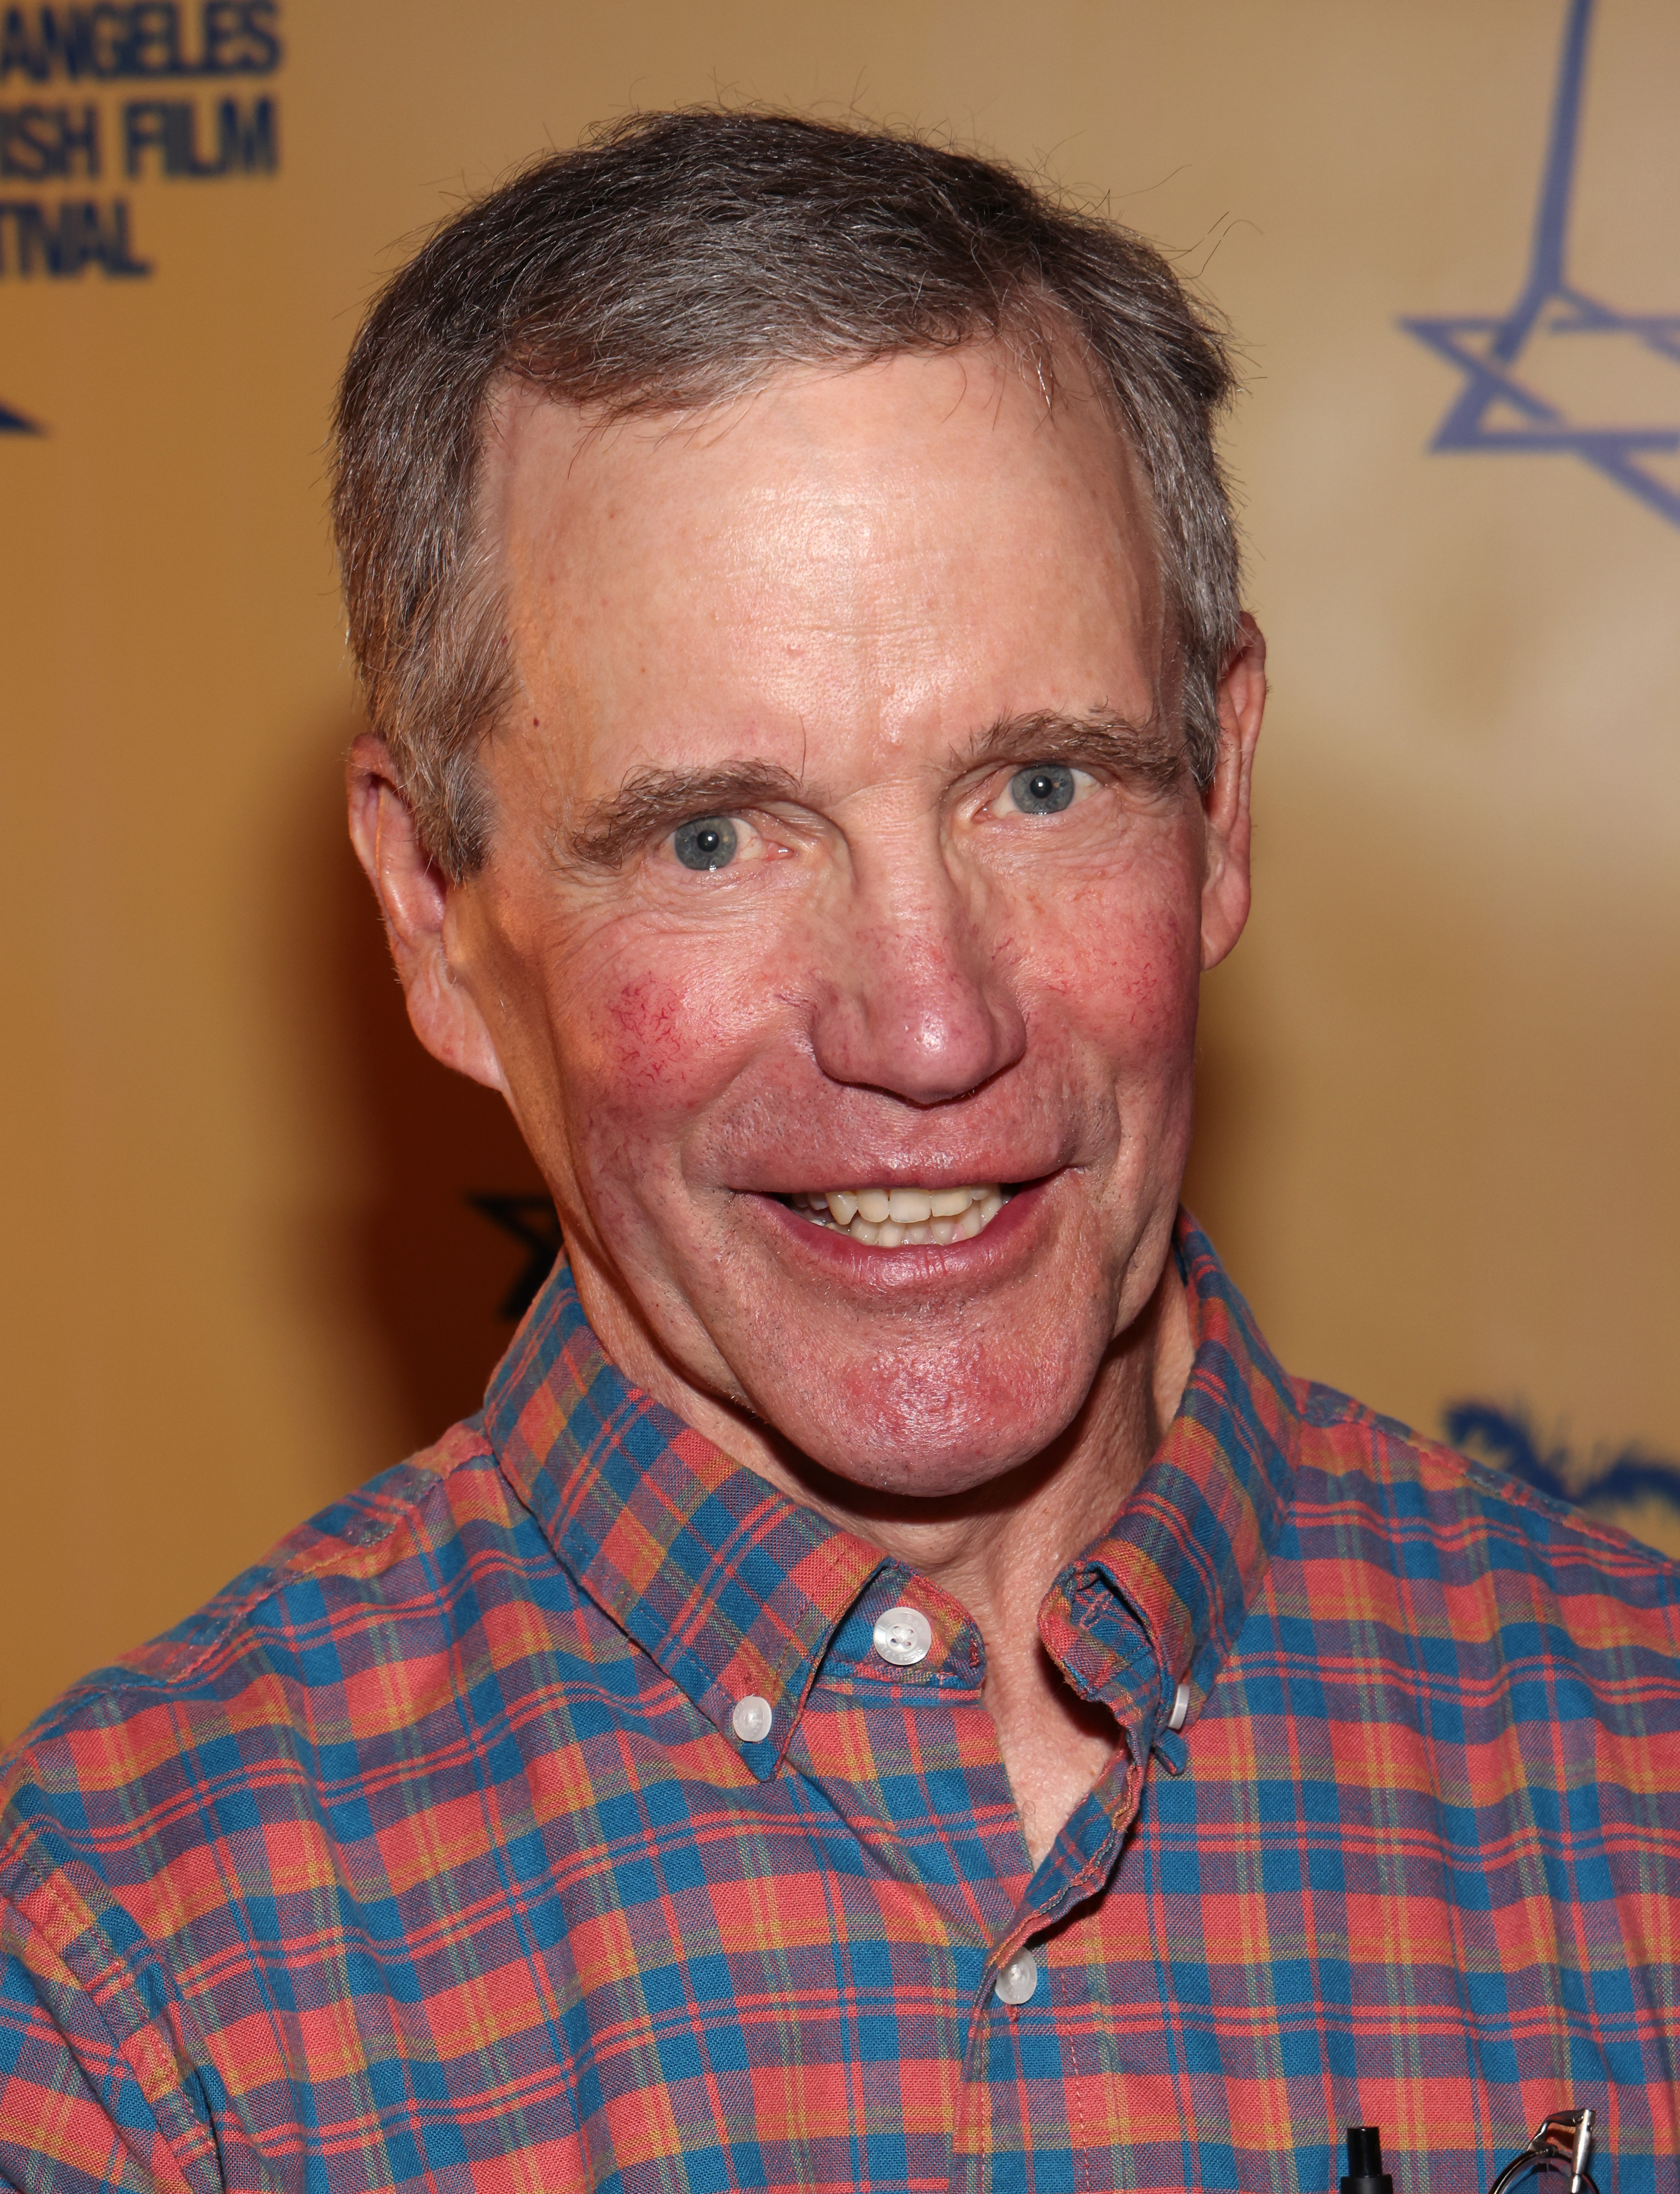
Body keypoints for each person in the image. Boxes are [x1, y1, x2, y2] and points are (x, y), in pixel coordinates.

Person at [1, 110, 1675, 2194]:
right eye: (714, 837)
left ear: (1225, 799)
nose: (931, 1023)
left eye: (1041, 786)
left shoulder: (1648, 1790)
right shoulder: (129, 1987)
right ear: (434, 915)